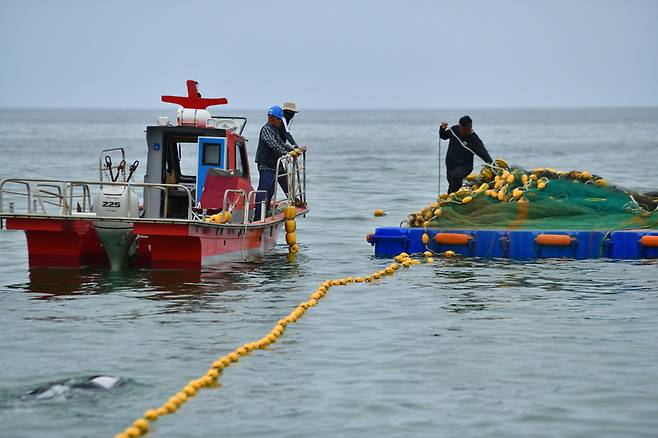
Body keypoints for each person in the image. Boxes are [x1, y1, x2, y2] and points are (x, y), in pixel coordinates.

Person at [254, 105, 297, 219]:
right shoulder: (266, 129)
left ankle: (265, 211)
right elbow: (273, 145)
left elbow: (281, 144)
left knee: (271, 191)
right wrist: (286, 153)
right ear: (272, 118)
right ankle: (258, 216)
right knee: (263, 190)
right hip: (266, 165)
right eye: (279, 119)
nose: (280, 122)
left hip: (273, 165)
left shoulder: (274, 130)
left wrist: (294, 149)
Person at [439, 115, 493, 193]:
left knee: (456, 177)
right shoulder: (455, 129)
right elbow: (443, 136)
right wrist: (442, 129)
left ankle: (450, 197)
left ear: (470, 127)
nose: (462, 131)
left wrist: (492, 165)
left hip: (464, 166)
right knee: (452, 182)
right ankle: (458, 196)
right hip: (451, 165)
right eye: (461, 128)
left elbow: (484, 155)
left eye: (465, 130)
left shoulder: (475, 141)